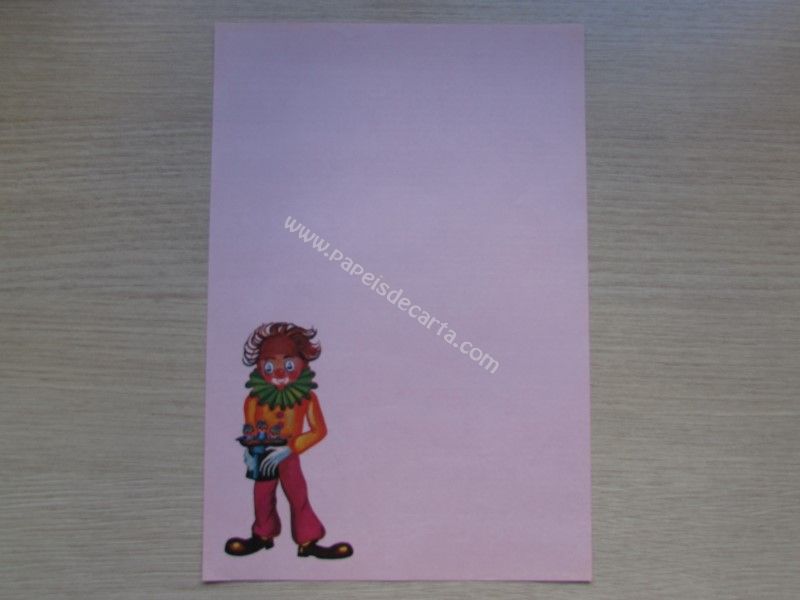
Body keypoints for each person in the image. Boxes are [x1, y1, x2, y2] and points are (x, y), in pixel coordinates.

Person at [224, 322, 353, 559]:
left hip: (289, 455)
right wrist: (250, 451)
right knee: (262, 494)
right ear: (259, 365)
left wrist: (291, 447)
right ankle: (262, 535)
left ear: (303, 363)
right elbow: (250, 427)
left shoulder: (307, 398)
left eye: (289, 365)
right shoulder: (254, 399)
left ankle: (308, 540)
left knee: (297, 494)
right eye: (269, 366)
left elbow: (319, 430)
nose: (279, 373)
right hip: (262, 453)